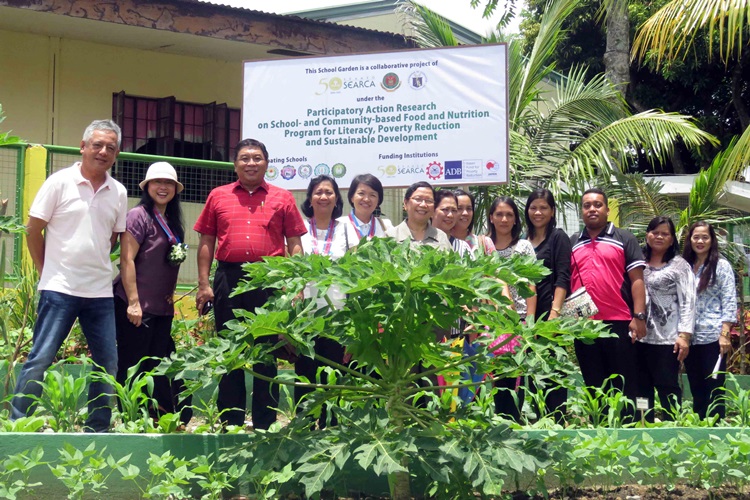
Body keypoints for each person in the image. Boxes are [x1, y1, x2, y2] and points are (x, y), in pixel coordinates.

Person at [11, 119, 128, 432]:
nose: (103, 151)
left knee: (107, 364)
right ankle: (19, 424)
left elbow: (112, 239)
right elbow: (33, 229)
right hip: (59, 288)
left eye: (110, 148)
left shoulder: (118, 192)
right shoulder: (59, 182)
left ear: (116, 154)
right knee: (40, 358)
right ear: (83, 147)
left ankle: (98, 426)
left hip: (100, 292)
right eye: (97, 145)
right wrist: (43, 268)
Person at [194, 138, 307, 430]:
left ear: (267, 164)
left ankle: (265, 423)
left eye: (257, 158)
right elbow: (206, 241)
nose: (251, 163)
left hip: (269, 280)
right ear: (235, 164)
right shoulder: (218, 195)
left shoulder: (283, 197)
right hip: (228, 279)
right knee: (229, 349)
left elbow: (294, 243)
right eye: (244, 158)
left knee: (266, 353)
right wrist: (204, 284)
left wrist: (295, 284)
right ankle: (230, 420)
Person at [113, 162, 192, 425]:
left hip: (161, 308)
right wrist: (134, 302)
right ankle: (130, 417)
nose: (163, 187)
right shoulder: (138, 216)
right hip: (136, 307)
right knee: (133, 364)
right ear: (147, 187)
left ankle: (157, 419)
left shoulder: (172, 221)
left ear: (175, 189)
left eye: (168, 183)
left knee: (157, 365)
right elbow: (127, 260)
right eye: (157, 182)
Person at [570, 188, 646, 419]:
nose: (592, 209)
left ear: (607, 209)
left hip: (619, 322)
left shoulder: (624, 238)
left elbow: (637, 280)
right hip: (583, 325)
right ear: (581, 211)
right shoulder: (573, 241)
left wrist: (639, 316)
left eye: (597, 204)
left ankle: (629, 430)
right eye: (587, 205)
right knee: (594, 383)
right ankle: (599, 428)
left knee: (625, 383)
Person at [295, 175, 356, 426]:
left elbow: (355, 272)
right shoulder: (299, 227)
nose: (323, 197)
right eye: (318, 192)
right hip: (306, 315)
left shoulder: (345, 228)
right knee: (306, 374)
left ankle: (332, 429)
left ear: (337, 199)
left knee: (333, 375)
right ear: (310, 198)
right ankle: (304, 427)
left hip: (337, 315)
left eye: (329, 192)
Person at [638, 216, 695, 421]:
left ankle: (672, 428)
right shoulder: (638, 261)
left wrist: (684, 336)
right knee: (640, 386)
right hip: (639, 337)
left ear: (672, 239)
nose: (659, 236)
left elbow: (688, 301)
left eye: (665, 234)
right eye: (655, 232)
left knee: (667, 385)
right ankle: (643, 425)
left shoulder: (679, 265)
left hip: (667, 339)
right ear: (647, 235)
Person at [524, 189, 571, 421]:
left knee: (553, 367)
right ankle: (535, 418)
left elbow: (563, 276)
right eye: (533, 207)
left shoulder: (558, 237)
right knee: (531, 368)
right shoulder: (523, 240)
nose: (538, 212)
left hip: (550, 314)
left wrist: (555, 312)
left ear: (552, 212)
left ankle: (557, 418)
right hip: (528, 316)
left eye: (543, 208)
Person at [683, 221, 737, 420]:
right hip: (689, 337)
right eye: (696, 237)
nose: (700, 241)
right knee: (696, 387)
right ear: (690, 240)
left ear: (712, 240)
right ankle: (699, 430)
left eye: (705, 237)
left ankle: (715, 429)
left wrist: (725, 334)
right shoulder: (684, 266)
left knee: (714, 388)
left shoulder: (721, 266)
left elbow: (729, 300)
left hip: (713, 337)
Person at [487, 196, 535, 420]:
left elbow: (530, 285)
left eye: (509, 215)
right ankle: (497, 421)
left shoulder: (523, 246)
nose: (504, 219)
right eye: (499, 214)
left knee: (516, 378)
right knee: (495, 378)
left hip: (519, 320)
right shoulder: (484, 245)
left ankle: (514, 422)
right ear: (491, 217)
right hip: (491, 323)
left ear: (516, 219)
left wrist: (530, 325)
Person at [385, 181, 451, 251]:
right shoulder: (390, 236)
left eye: (429, 200)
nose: (423, 205)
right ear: (406, 203)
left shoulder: (441, 237)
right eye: (418, 199)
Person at [340, 174, 393, 241]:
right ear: (352, 197)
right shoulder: (339, 225)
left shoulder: (386, 226)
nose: (366, 199)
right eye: (361, 193)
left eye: (372, 195)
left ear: (378, 201)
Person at [452, 189, 496, 256]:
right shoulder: (443, 242)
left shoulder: (484, 243)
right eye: (459, 208)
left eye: (469, 208)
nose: (465, 213)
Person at [433, 190, 472, 257]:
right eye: (445, 209)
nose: (450, 215)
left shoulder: (462, 247)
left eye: (454, 210)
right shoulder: (420, 242)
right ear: (432, 211)